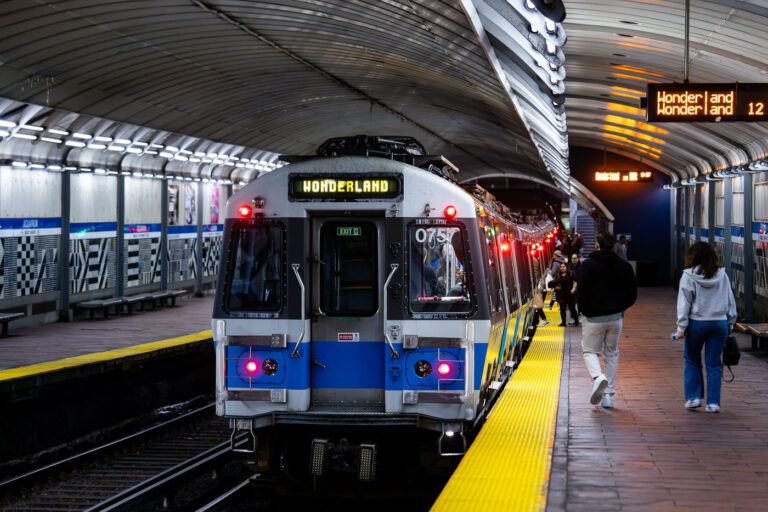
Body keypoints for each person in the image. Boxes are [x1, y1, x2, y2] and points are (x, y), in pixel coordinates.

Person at [576, 231, 637, 408]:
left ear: (597, 245)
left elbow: (581, 294)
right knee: (611, 353)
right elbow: (632, 294)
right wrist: (620, 308)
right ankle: (608, 396)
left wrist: (585, 311)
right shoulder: (624, 266)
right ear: (613, 246)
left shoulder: (586, 266)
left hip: (593, 318)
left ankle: (598, 377)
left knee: (589, 351)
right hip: (615, 318)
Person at [675, 242, 737, 413]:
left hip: (697, 323)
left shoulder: (688, 276)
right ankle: (713, 403)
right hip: (720, 323)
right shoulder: (722, 275)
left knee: (692, 360)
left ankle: (694, 398)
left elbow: (684, 303)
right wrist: (731, 322)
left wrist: (681, 326)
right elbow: (730, 300)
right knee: (714, 363)